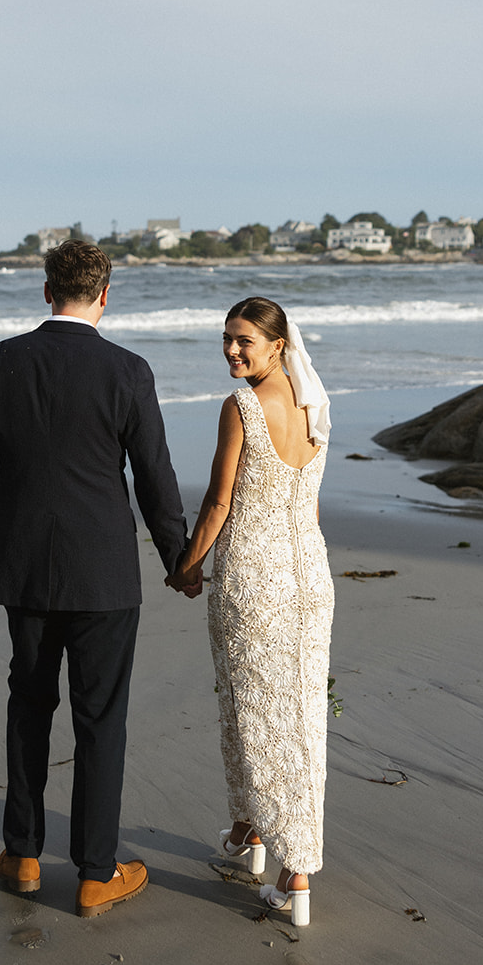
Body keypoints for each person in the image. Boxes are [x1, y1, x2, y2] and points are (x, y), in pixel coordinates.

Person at [0, 240, 190, 918]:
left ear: (45, 290)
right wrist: (177, 557)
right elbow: (153, 473)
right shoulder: (128, 370)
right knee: (100, 718)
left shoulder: (1, 361)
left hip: (22, 565)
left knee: (28, 706)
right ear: (106, 295)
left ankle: (22, 854)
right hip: (105, 571)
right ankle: (94, 872)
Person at [167, 296, 333, 927]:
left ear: (276, 345)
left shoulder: (240, 408)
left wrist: (185, 566)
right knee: (293, 713)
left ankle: (296, 874)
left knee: (257, 713)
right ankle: (249, 838)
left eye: (244, 341)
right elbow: (311, 505)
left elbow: (217, 503)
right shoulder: (318, 404)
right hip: (309, 576)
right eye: (227, 340)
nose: (232, 351)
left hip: (254, 578)